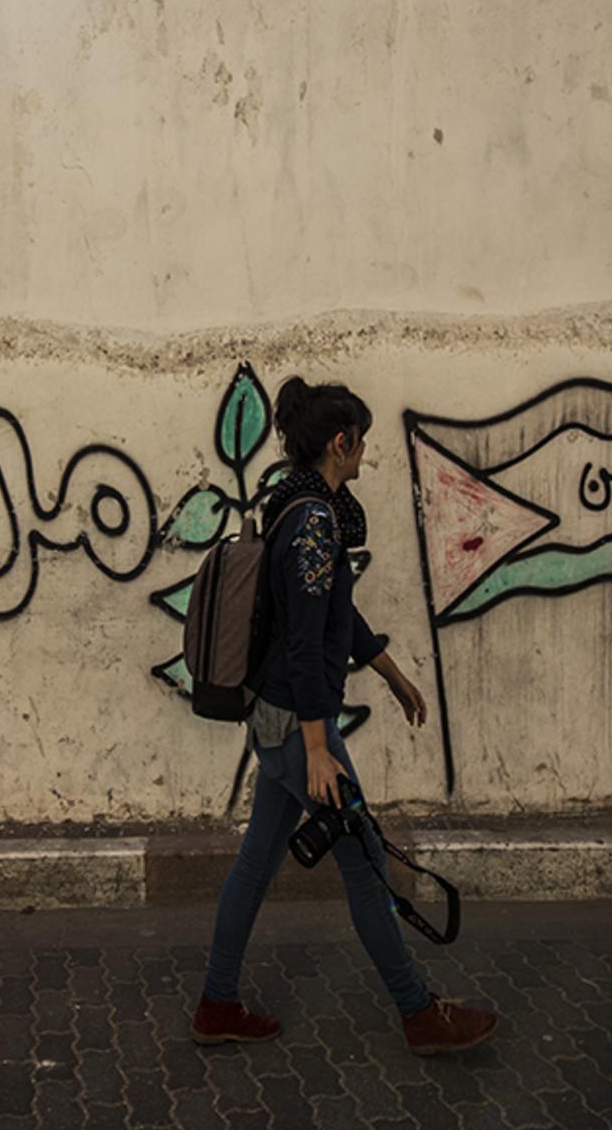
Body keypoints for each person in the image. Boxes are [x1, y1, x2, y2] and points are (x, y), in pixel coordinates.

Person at [191, 376, 499, 1057]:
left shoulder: (294, 504)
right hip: (297, 724)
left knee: (254, 864)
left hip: (274, 721)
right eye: (362, 444)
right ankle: (421, 1013)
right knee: (364, 864)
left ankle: (217, 1004)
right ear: (341, 441)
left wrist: (389, 672)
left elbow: (333, 611)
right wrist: (319, 746)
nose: (367, 456)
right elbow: (304, 641)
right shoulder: (315, 521)